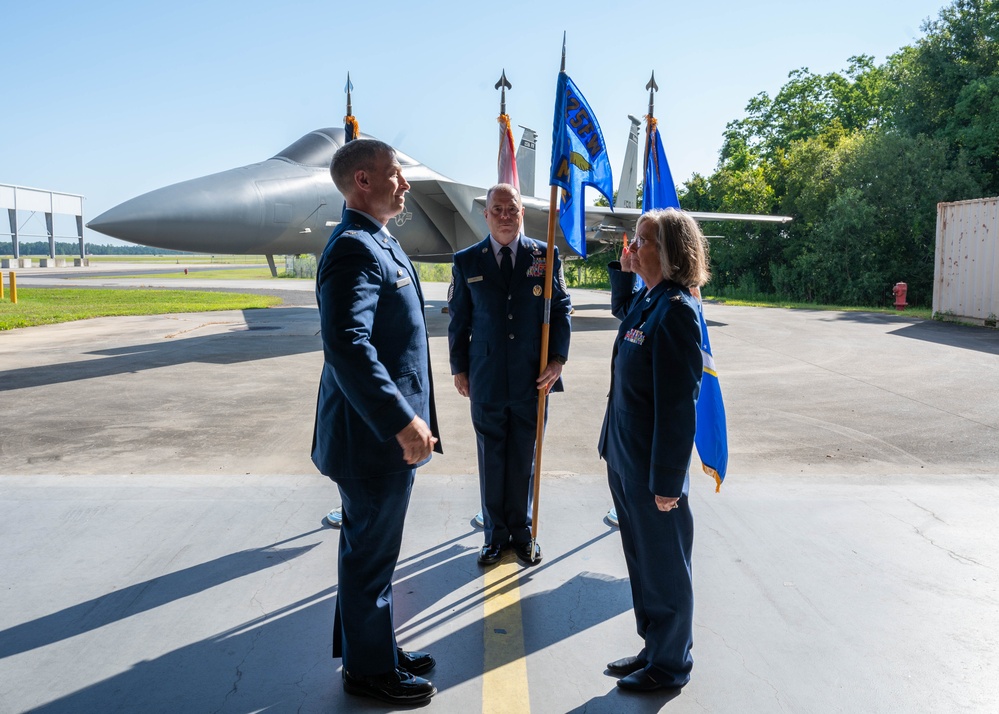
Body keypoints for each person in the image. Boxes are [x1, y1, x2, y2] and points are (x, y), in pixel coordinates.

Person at [312, 138, 442, 706]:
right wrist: (402, 422)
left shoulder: (377, 241)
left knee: (371, 552)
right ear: (363, 181)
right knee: (370, 556)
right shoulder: (354, 249)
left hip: (380, 434)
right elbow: (347, 344)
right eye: (396, 175)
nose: (405, 184)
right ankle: (369, 672)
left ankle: (375, 647)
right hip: (372, 438)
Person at [598, 208, 709, 693]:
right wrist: (624, 278)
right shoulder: (650, 300)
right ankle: (654, 647)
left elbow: (679, 408)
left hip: (651, 470)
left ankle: (670, 666)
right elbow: (627, 320)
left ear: (669, 253)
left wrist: (668, 482)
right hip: (624, 456)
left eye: (642, 241)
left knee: (665, 569)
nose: (632, 248)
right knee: (642, 562)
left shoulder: (678, 310)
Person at [447, 183, 571, 566]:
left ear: (522, 213)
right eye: (497, 209)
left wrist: (557, 362)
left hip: (533, 379)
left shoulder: (545, 256)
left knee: (524, 458)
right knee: (492, 459)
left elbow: (562, 310)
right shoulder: (467, 261)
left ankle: (523, 533)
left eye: (511, 209)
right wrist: (459, 368)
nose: (504, 216)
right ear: (485, 214)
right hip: (484, 378)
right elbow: (459, 321)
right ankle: (495, 535)